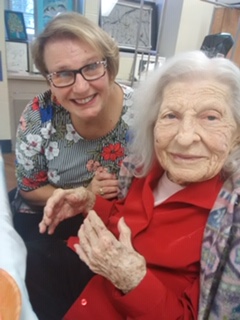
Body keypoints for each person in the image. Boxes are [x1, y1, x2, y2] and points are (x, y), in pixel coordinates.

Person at [26, 50, 240, 320]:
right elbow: (127, 220)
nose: (184, 138)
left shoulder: (228, 222)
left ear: (236, 136)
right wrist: (91, 202)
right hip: (92, 275)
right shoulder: (149, 169)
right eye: (170, 115)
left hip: (128, 306)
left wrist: (132, 279)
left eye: (210, 117)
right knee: (26, 256)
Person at [12, 12, 134, 242]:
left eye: (91, 67)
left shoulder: (141, 113)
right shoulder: (38, 116)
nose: (80, 87)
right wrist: (86, 194)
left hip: (116, 219)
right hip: (50, 216)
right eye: (63, 74)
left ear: (109, 67)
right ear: (49, 80)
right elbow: (29, 189)